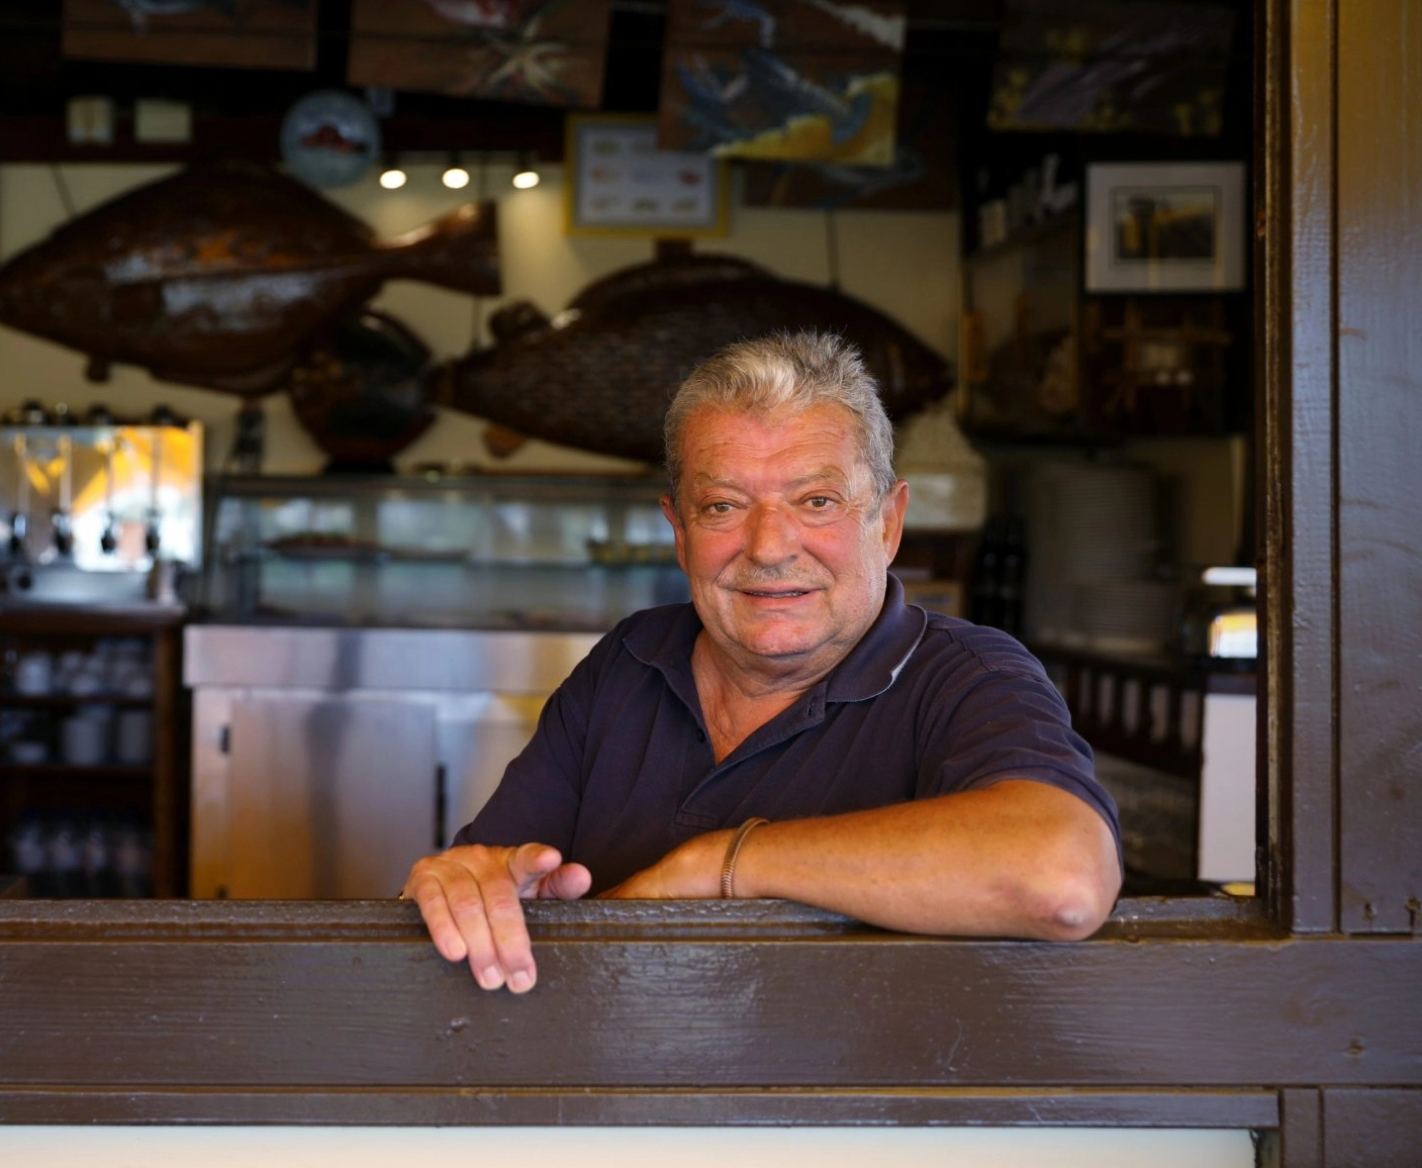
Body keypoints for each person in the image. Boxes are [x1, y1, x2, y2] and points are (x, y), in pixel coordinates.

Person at [401, 332, 1122, 994]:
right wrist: (463, 892)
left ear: (890, 523)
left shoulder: (966, 676)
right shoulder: (629, 660)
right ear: (679, 533)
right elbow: (488, 884)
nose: (770, 546)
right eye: (722, 506)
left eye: (817, 501)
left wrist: (717, 867)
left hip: (854, 1122)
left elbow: (1061, 877)